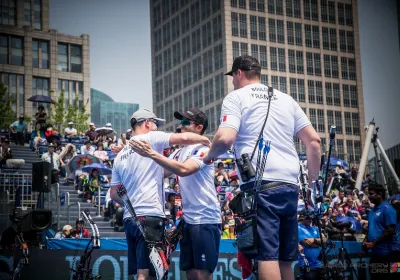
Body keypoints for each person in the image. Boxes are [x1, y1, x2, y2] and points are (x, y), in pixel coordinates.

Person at [202, 55, 321, 280]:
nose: (233, 82)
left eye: (233, 77)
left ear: (238, 73)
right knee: (286, 258)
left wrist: (210, 156)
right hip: (290, 185)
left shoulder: (235, 97)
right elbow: (314, 142)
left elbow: (225, 138)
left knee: (267, 256)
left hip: (261, 184)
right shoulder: (287, 99)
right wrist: (312, 180)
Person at [109, 109, 211, 280]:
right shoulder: (150, 138)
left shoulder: (120, 156)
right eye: (156, 123)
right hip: (150, 216)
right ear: (147, 123)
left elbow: (113, 193)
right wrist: (206, 139)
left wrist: (132, 203)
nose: (157, 127)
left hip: (130, 219)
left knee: (143, 272)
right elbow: (184, 138)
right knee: (148, 273)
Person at [362, 182, 396, 279]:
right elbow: (370, 229)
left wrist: (374, 243)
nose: (369, 196)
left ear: (379, 194)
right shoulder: (372, 211)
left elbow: (390, 230)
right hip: (375, 254)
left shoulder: (388, 209)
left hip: (389, 256)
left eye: (371, 194)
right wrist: (365, 243)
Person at [297, 211, 326, 280]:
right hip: (306, 264)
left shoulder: (314, 228)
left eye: (311, 218)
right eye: (307, 218)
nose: (310, 220)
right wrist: (318, 243)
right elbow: (306, 243)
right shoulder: (298, 228)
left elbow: (324, 240)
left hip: (319, 264)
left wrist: (314, 240)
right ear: (302, 217)